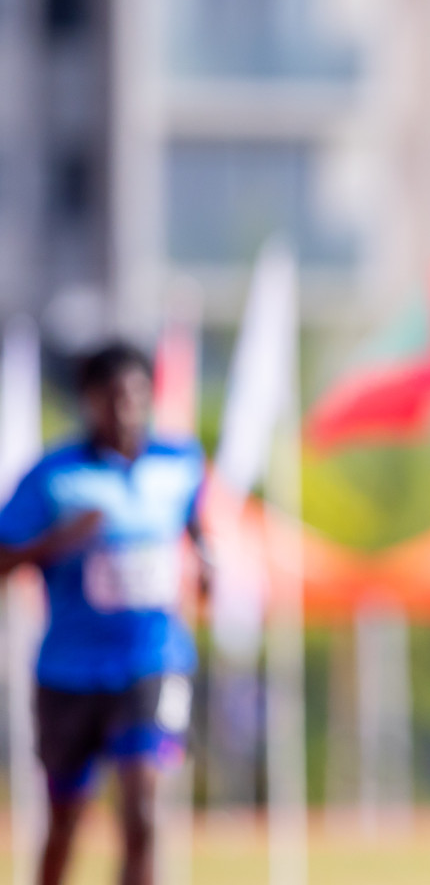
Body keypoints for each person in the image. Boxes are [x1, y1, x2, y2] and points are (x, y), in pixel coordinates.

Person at [0, 343, 212, 885]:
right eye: (112, 399)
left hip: (153, 660)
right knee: (66, 823)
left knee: (143, 813)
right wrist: (59, 541)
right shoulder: (54, 476)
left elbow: (195, 524)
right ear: (88, 402)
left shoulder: (180, 463)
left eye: (136, 397)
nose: (125, 411)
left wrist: (206, 560)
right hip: (69, 671)